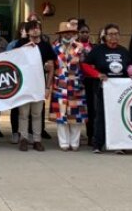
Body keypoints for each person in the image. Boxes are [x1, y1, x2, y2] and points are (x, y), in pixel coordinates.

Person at [86, 23, 132, 153]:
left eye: (116, 34)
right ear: (105, 36)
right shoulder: (97, 50)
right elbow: (85, 65)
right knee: (101, 116)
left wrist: (131, 73)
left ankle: (119, 145)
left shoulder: (123, 51)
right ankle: (97, 144)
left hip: (121, 89)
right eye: (111, 34)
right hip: (104, 88)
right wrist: (97, 75)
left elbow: (129, 66)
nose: (114, 37)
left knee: (120, 116)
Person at [15, 20, 56, 151]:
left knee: (37, 114)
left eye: (38, 28)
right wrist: (24, 48)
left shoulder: (45, 46)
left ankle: (37, 140)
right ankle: (23, 138)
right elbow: (12, 59)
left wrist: (48, 87)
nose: (35, 30)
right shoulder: (21, 43)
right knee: (23, 113)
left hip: (39, 84)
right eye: (32, 28)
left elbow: (51, 68)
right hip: (24, 85)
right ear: (27, 31)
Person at [50, 21, 87, 151]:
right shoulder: (55, 48)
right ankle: (64, 142)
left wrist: (81, 51)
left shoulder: (81, 47)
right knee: (61, 115)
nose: (68, 35)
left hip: (76, 84)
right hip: (60, 84)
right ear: (61, 34)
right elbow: (51, 65)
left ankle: (75, 142)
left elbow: (86, 64)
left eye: (70, 32)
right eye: (65, 33)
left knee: (76, 116)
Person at [78, 24, 101, 148]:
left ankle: (91, 136)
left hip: (92, 80)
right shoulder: (74, 47)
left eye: (87, 32)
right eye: (82, 32)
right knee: (80, 110)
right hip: (78, 81)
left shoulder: (94, 47)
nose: (84, 34)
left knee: (93, 109)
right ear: (78, 34)